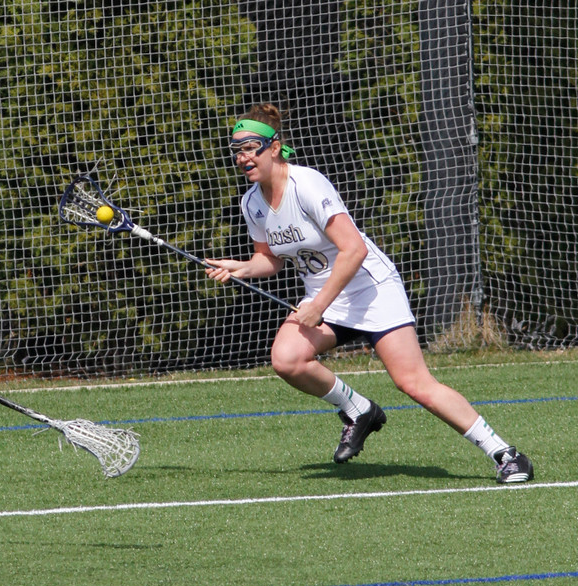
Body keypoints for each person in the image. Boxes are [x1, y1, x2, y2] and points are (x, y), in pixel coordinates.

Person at [204, 103, 533, 484]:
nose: (243, 156)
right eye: (237, 150)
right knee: (287, 359)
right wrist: (244, 267)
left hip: (371, 289)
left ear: (274, 147)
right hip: (326, 296)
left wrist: (319, 306)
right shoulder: (252, 203)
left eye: (250, 147)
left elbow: (354, 250)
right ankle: (358, 408)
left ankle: (506, 454)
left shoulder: (307, 184)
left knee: (414, 384)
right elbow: (270, 259)